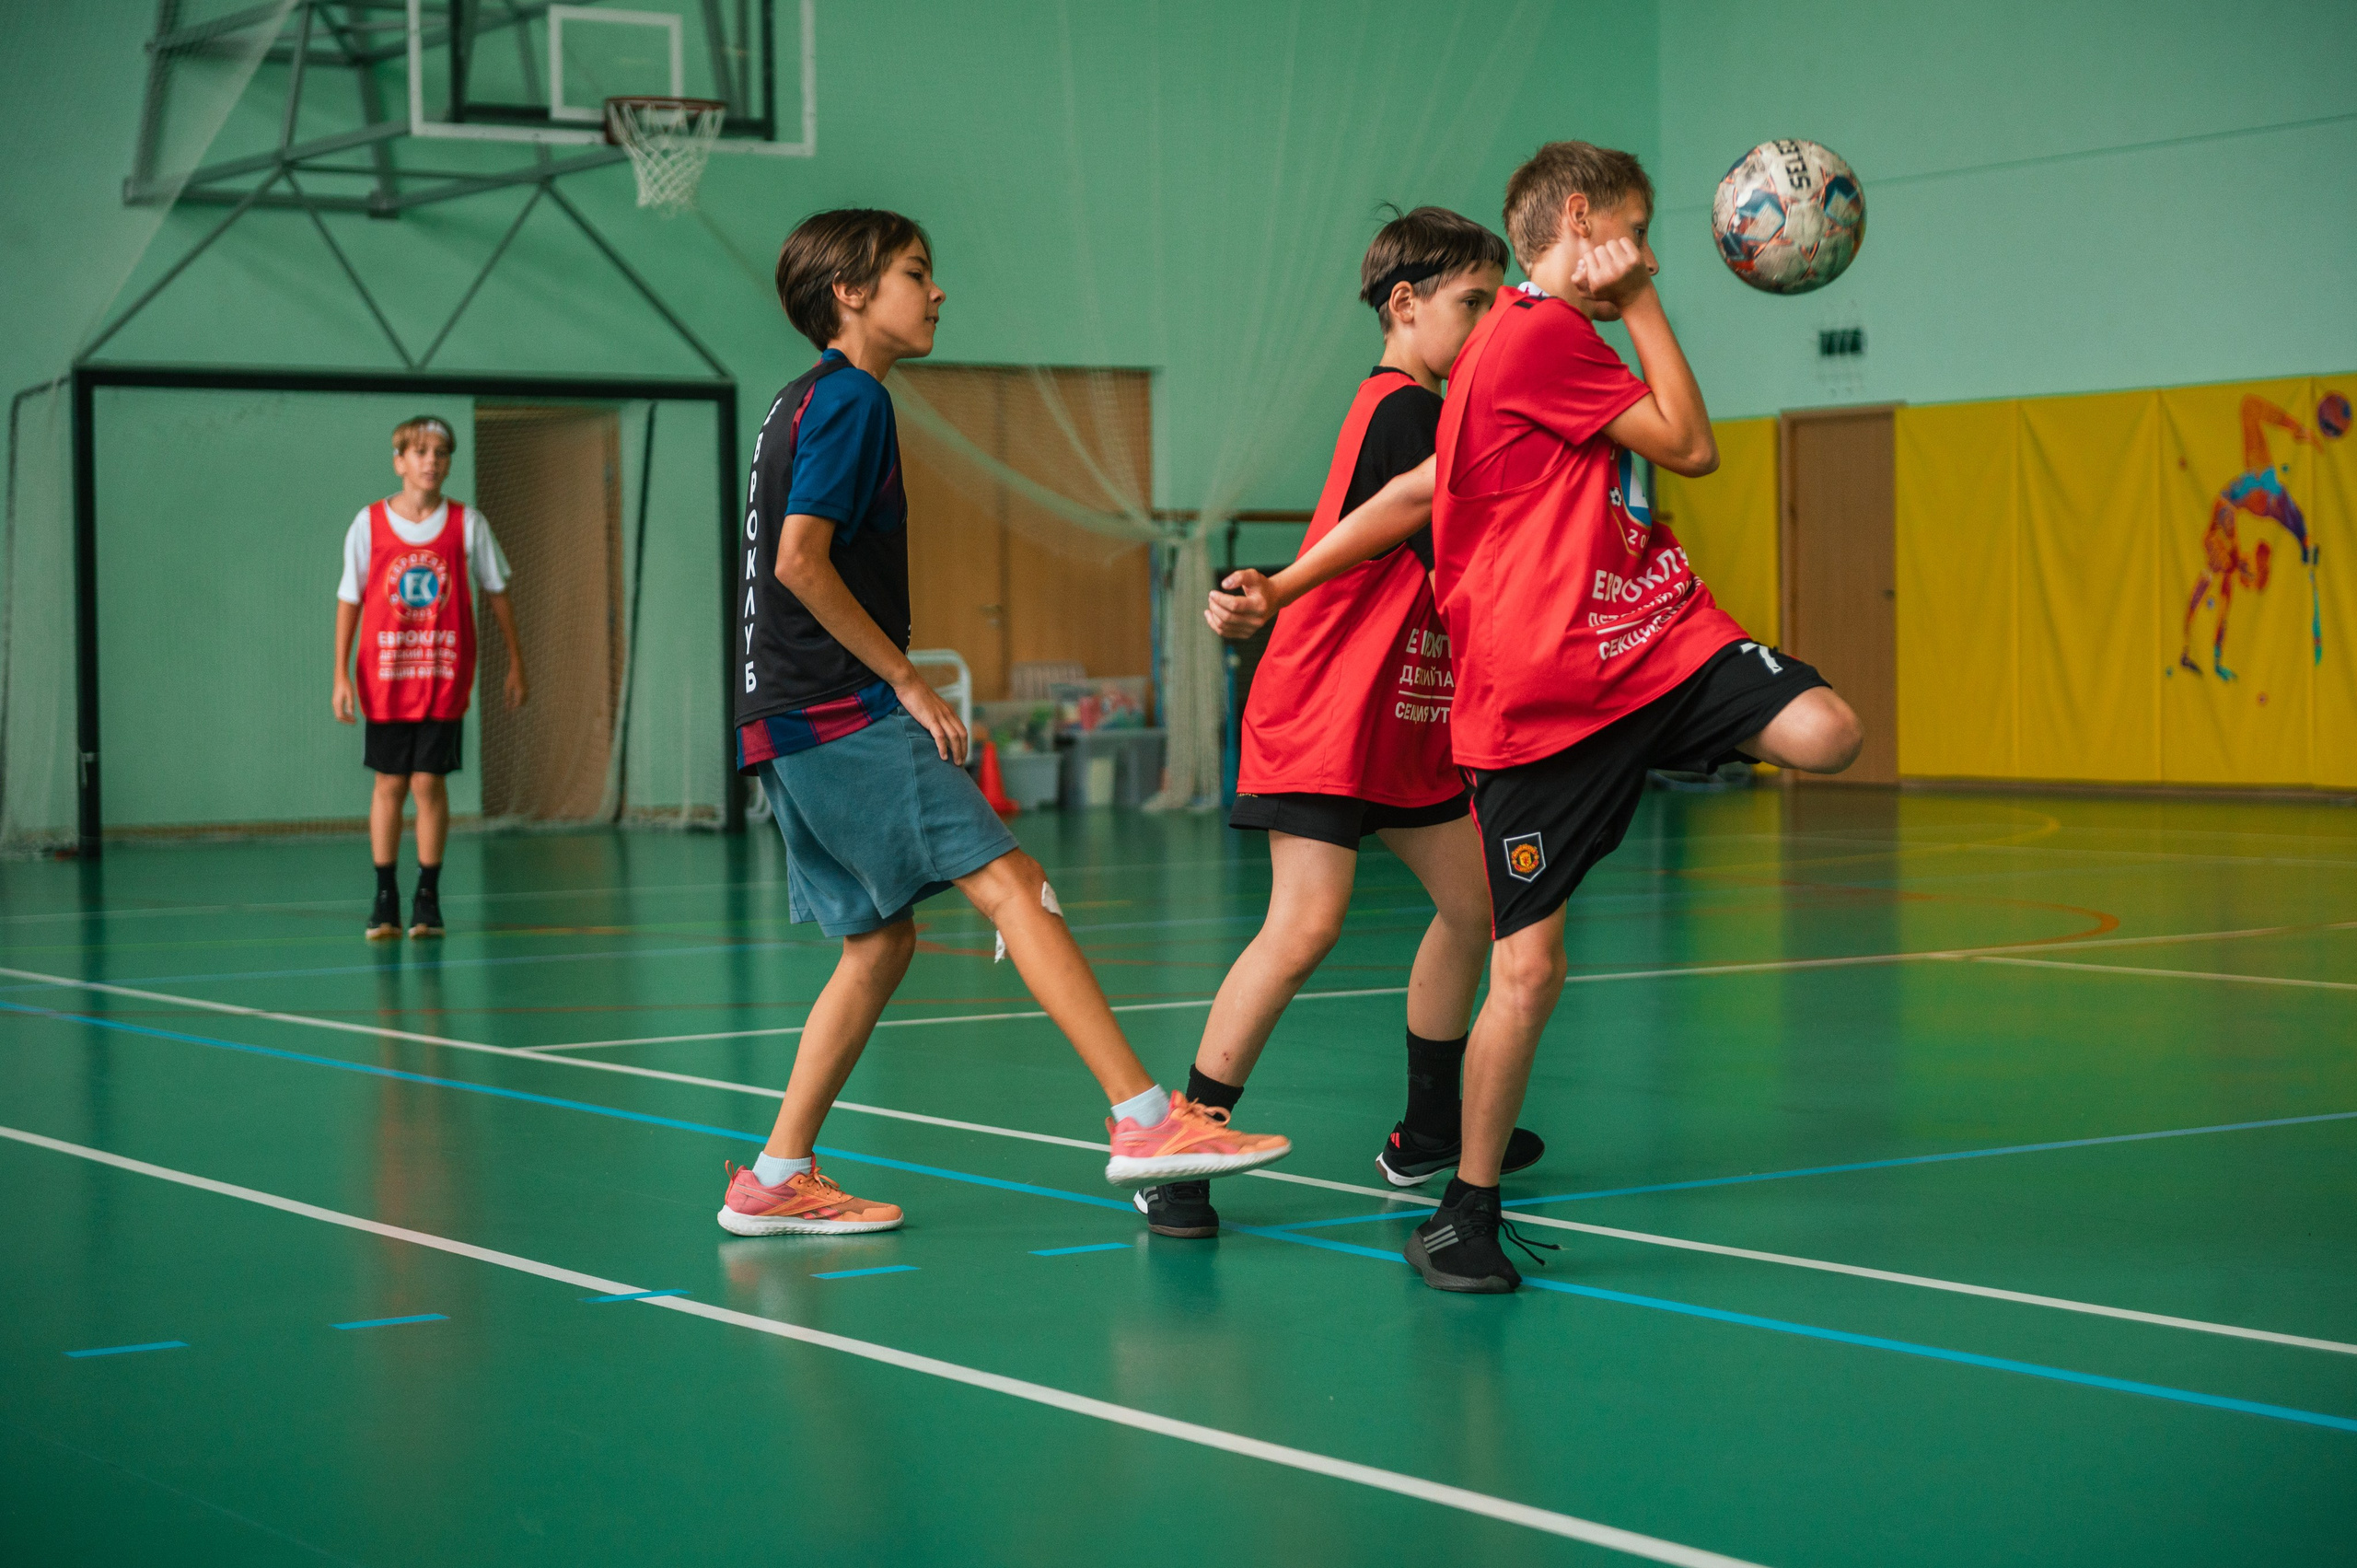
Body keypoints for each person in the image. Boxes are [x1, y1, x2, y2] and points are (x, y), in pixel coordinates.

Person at [1209, 144, 1864, 1292]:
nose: (1651, 246)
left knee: (1824, 733)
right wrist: (1640, 294)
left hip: (1641, 642)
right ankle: (1428, 1196)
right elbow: (1691, 446)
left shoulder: (1495, 362)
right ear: (1579, 219)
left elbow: (1421, 494)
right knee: (1473, 957)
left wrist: (1280, 579)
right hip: (1488, 704)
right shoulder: (1533, 334)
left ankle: (1428, 1135)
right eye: (1637, 225)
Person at [718, 208, 1293, 1237]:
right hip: (835, 707)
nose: (936, 292)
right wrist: (906, 680)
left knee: (877, 945)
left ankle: (773, 1173)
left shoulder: (796, 403)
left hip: (783, 717)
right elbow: (800, 561)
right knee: (1012, 882)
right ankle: (1144, 1118)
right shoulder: (848, 398)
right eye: (914, 272)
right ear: (849, 291)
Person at [1132, 207, 1542, 1240]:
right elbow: (1455, 557)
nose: (1488, 323)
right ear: (1404, 306)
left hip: (1400, 708)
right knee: (1304, 923)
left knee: (1476, 905)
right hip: (1324, 702)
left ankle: (1425, 1131)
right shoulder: (1404, 412)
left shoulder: (1429, 410)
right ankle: (1183, 1145)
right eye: (1472, 304)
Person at [332, 415, 527, 940]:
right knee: (390, 783)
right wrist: (340, 675)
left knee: (428, 783)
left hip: (442, 675)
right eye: (419, 452)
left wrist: (515, 660)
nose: (430, 461)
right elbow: (350, 599)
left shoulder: (468, 524)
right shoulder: (368, 523)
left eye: (440, 453)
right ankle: (384, 896)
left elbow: (497, 592)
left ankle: (428, 898)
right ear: (399, 461)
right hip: (386, 676)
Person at [2177, 394, 2316, 679]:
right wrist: (2295, 428)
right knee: (2249, 409)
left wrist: (2211, 658)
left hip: (2251, 499)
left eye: (2247, 576)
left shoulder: (2226, 562)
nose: (2245, 571)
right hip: (2262, 490)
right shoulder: (2270, 495)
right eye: (2251, 572)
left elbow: (2219, 615)